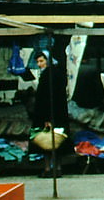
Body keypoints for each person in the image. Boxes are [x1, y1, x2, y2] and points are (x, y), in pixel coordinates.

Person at [32, 49, 69, 178]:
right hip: (58, 114)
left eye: (41, 61)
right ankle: (57, 168)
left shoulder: (48, 76)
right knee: (56, 142)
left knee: (48, 142)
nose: (39, 64)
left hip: (49, 114)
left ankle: (48, 168)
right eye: (38, 61)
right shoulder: (55, 74)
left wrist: (47, 117)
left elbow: (47, 99)